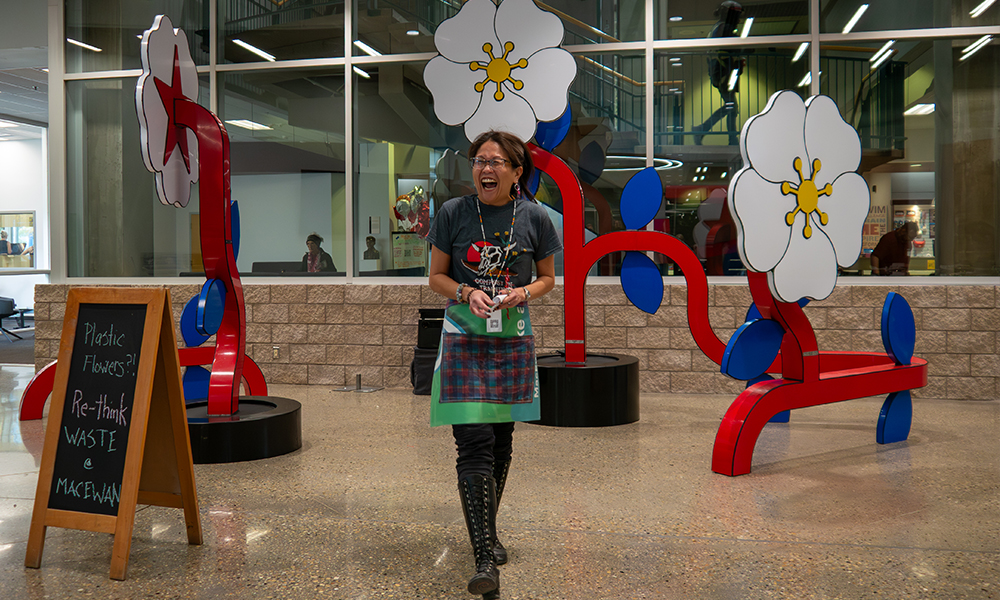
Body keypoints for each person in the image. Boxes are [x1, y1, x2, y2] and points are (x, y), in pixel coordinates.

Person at [426, 130, 561, 600]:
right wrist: (467, 291)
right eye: (479, 160)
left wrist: (522, 293)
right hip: (464, 336)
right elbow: (436, 276)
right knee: (474, 442)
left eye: (497, 161)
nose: (486, 168)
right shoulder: (453, 213)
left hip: (511, 339)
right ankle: (484, 555)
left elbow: (547, 279)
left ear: (516, 171)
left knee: (502, 440)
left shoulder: (537, 218)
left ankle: (487, 532)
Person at [693, 1, 745, 145]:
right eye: (736, 15)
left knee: (731, 107)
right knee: (731, 107)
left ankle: (705, 130)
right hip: (724, 73)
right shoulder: (725, 28)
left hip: (723, 73)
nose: (738, 19)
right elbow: (728, 50)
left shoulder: (719, 28)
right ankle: (708, 131)